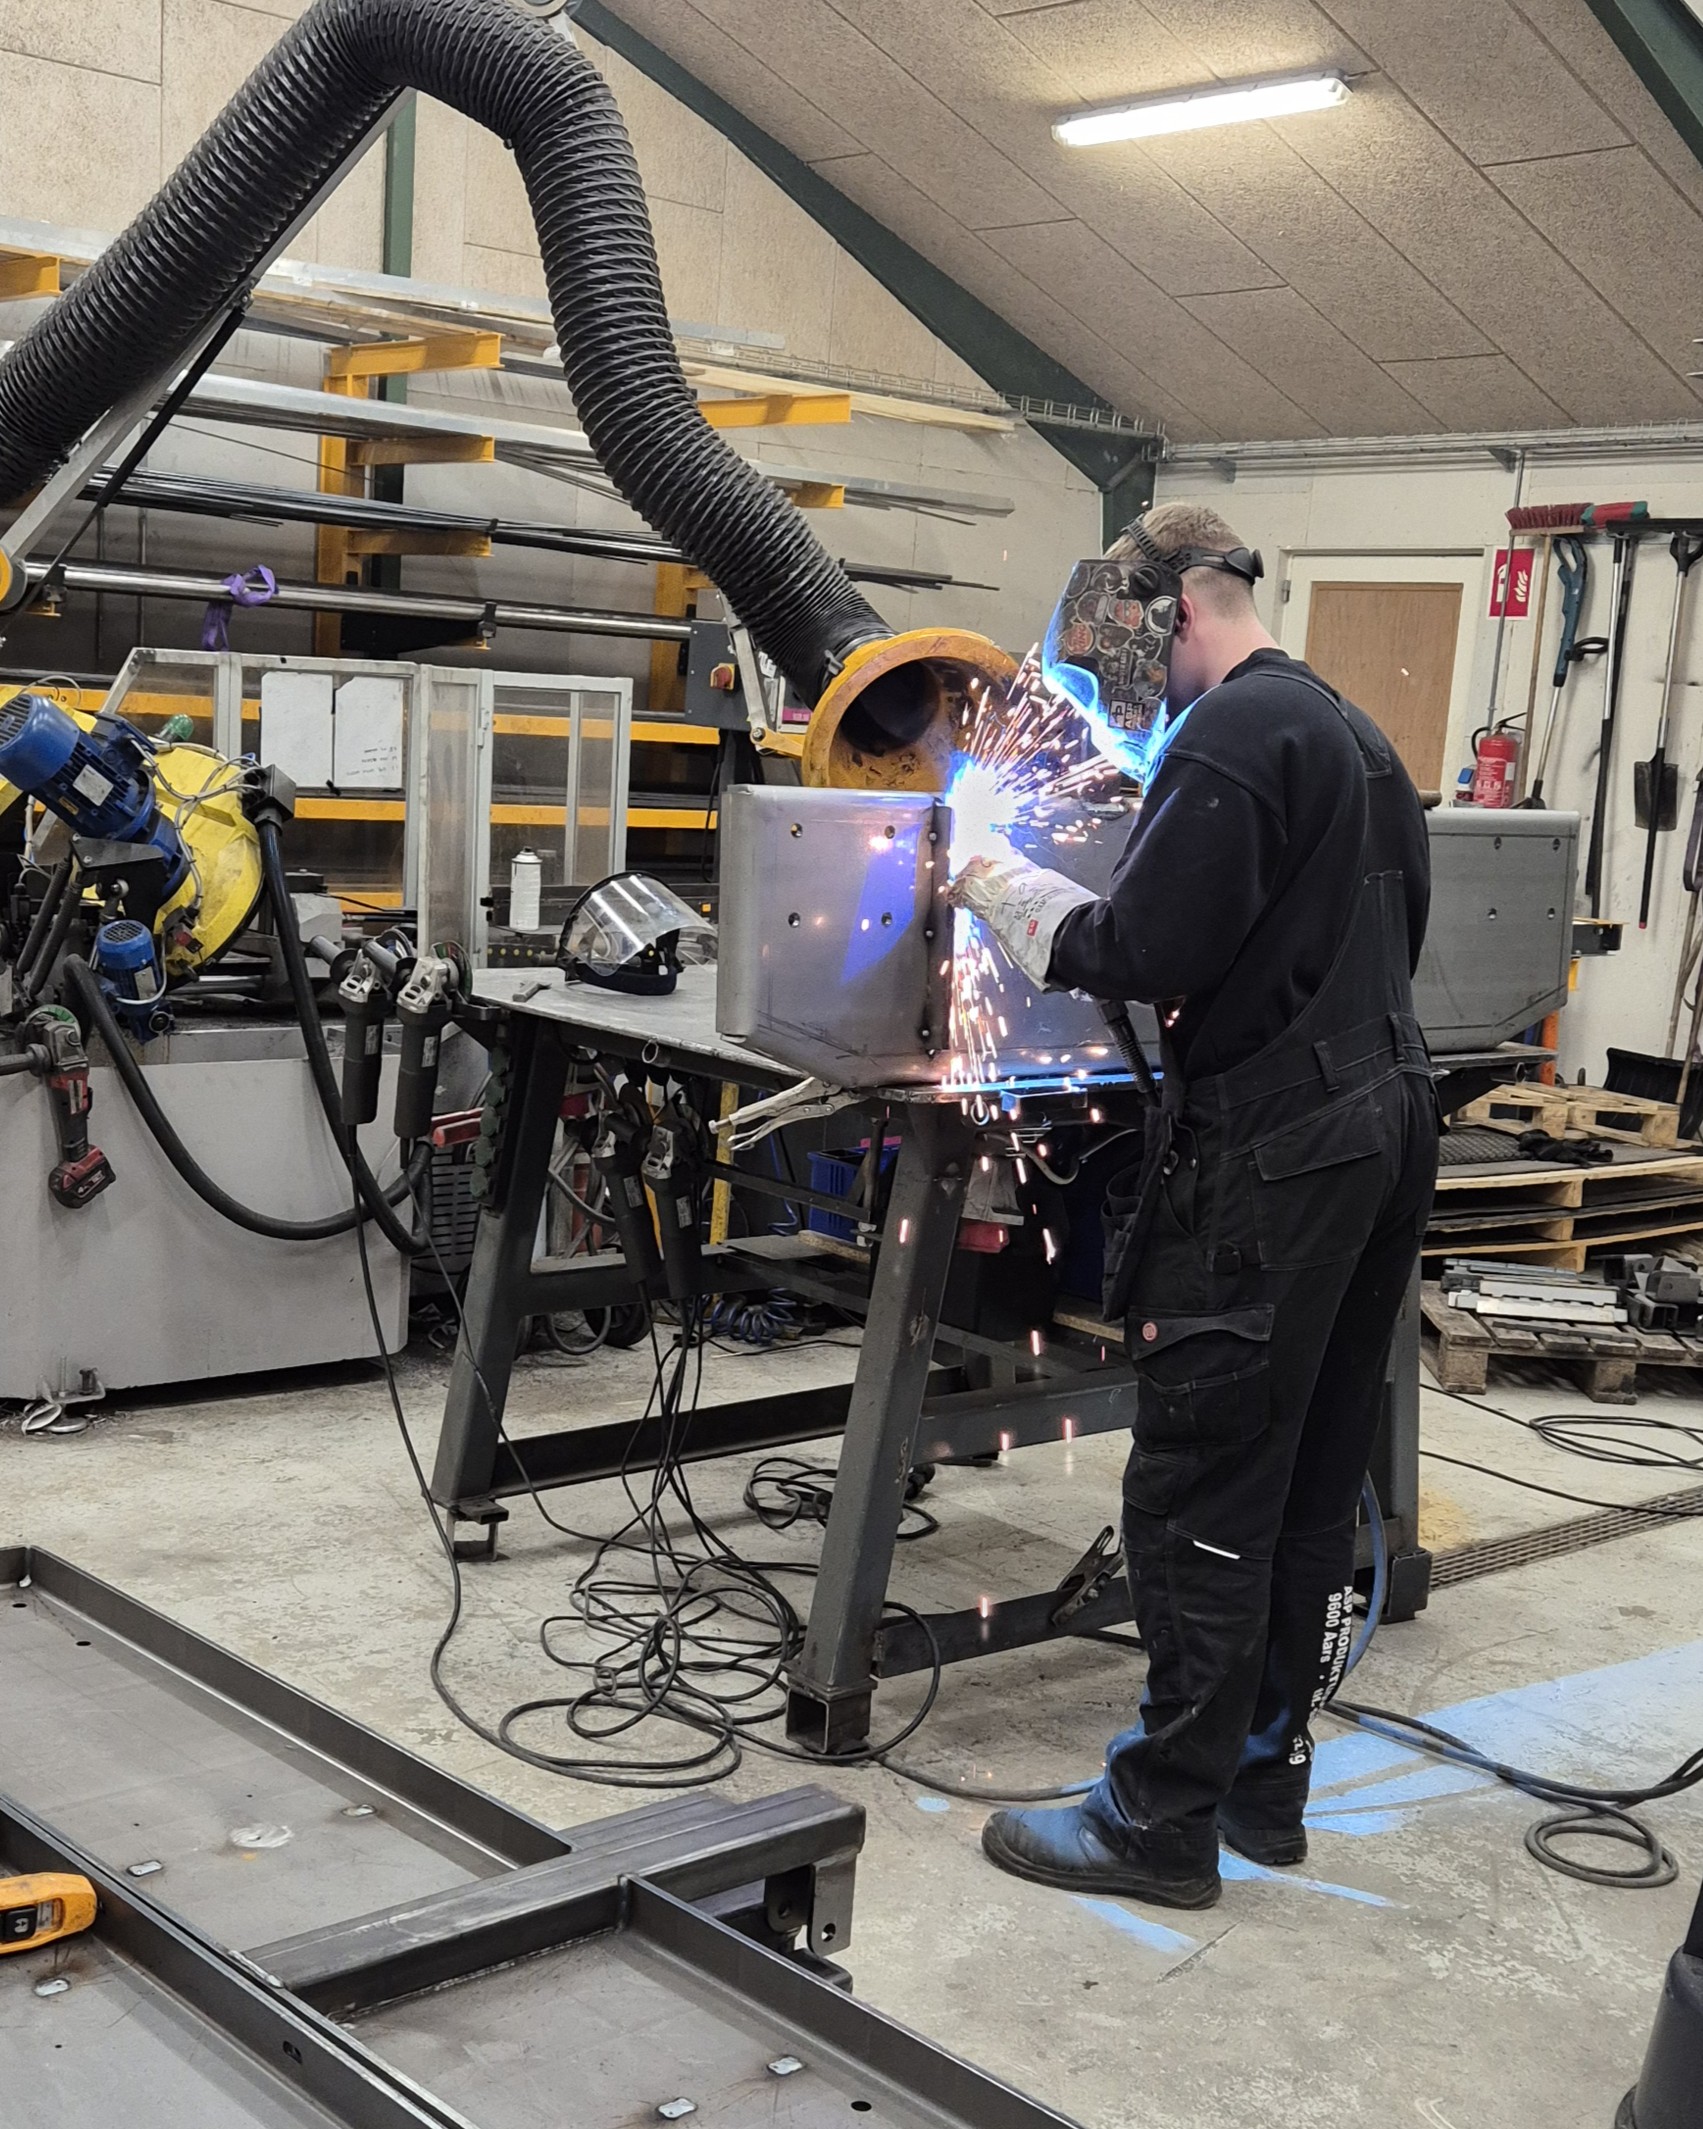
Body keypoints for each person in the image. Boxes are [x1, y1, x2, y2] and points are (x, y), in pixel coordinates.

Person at [951, 501, 1439, 1910]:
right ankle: (1261, 1789)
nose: (1129, 701)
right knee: (1306, 1478)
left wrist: (994, 879)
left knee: (1202, 1479)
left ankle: (1158, 1821)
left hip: (1279, 1149)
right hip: (1383, 1122)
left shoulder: (1229, 733)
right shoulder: (1355, 735)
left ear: (1169, 611)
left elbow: (1138, 948)